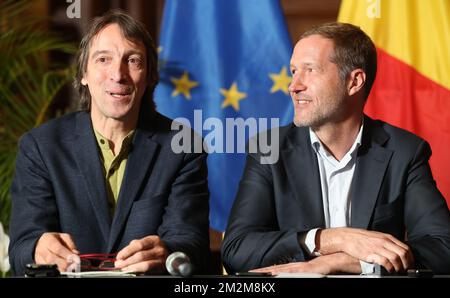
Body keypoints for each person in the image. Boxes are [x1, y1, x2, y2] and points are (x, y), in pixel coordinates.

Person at [221, 22, 450, 275]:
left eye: (310, 70)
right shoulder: (268, 149)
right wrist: (331, 239)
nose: (294, 86)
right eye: (294, 71)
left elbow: (443, 247)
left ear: (354, 82)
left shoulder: (404, 151)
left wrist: (345, 262)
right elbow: (236, 250)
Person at [8, 10, 210, 276]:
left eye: (133, 60)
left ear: (149, 76)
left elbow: (191, 243)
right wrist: (37, 247)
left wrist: (168, 251)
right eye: (103, 59)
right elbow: (21, 248)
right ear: (83, 74)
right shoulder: (40, 147)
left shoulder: (184, 146)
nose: (118, 74)